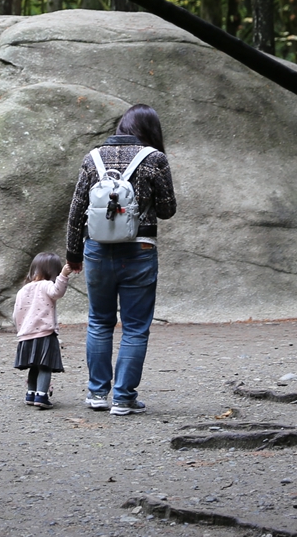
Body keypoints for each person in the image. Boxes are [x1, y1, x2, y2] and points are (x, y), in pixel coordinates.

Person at [64, 104, 177, 416]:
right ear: (152, 130)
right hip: (139, 251)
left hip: (97, 250)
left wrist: (73, 255)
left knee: (99, 321)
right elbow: (168, 210)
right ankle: (124, 398)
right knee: (135, 327)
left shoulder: (93, 158)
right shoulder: (155, 159)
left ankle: (97, 394)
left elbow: (76, 211)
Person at [12, 252, 69, 409]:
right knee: (45, 366)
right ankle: (42, 396)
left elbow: (15, 313)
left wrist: (21, 330)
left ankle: (31, 394)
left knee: (33, 366)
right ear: (53, 272)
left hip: (26, 334)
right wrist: (64, 275)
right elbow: (58, 291)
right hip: (44, 332)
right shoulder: (46, 285)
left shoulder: (23, 290)